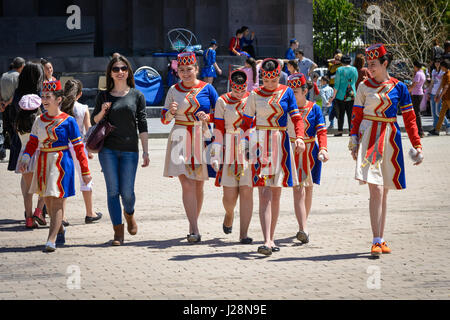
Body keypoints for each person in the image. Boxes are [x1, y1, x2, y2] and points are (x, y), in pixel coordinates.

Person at [348, 43, 423, 257]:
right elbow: (356, 116)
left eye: (373, 64)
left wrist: (417, 144)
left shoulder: (399, 87)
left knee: (385, 192)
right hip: (369, 138)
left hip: (390, 137)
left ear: (385, 63)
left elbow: (410, 119)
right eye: (368, 64)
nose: (369, 68)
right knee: (376, 189)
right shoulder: (363, 87)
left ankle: (381, 238)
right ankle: (375, 239)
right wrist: (353, 140)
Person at [239, 58, 306, 255]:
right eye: (266, 81)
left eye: (273, 80)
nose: (269, 84)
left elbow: (296, 117)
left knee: (276, 193)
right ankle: (267, 240)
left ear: (279, 76)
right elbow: (245, 122)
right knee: (264, 192)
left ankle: (272, 237)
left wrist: (299, 137)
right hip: (260, 143)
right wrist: (245, 144)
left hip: (281, 141)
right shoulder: (254, 94)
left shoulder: (286, 92)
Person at [18, 80, 92, 252]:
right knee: (49, 203)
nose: (44, 100)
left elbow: (79, 147)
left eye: (48, 96)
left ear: (58, 99)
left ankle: (50, 239)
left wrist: (85, 170)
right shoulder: (39, 120)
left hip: (61, 163)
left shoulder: (69, 121)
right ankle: (59, 229)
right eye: (42, 96)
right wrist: (25, 158)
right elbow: (32, 143)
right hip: (43, 162)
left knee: (57, 201)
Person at [91, 55, 149, 246]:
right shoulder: (104, 95)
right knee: (113, 191)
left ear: (128, 71)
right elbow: (94, 120)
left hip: (130, 150)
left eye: (123, 68)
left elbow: (142, 123)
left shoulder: (137, 95)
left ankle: (129, 213)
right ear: (110, 73)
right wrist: (103, 110)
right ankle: (118, 232)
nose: (120, 72)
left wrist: (146, 151)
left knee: (128, 193)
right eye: (115, 69)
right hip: (108, 150)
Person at [161, 52, 219, 243]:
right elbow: (163, 119)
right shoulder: (173, 90)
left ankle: (193, 223)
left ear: (196, 69)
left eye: (189, 69)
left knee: (198, 184)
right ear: (178, 71)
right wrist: (171, 112)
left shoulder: (208, 88)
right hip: (179, 137)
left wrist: (207, 118)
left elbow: (219, 114)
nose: (186, 73)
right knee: (187, 184)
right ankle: (194, 228)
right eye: (182, 70)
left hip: (200, 137)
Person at [211, 70, 253, 243]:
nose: (239, 92)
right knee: (229, 197)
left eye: (242, 88)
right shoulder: (222, 101)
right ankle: (229, 214)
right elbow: (218, 128)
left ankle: (243, 233)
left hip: (248, 147)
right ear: (231, 85)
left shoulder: (253, 99)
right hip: (228, 145)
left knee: (247, 192)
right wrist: (215, 153)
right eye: (236, 89)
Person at [287, 73, 328, 244]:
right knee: (298, 189)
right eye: (290, 91)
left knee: (309, 188)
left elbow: (321, 130)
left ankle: (303, 224)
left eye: (295, 91)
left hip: (311, 151)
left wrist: (324, 149)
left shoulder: (314, 108)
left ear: (305, 91)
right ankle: (303, 228)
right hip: (292, 150)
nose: (291, 94)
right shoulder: (286, 109)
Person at [61, 79, 103, 224]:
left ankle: (62, 215)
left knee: (63, 179)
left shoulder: (58, 107)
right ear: (80, 94)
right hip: (78, 146)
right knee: (85, 178)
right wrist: (89, 150)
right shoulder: (83, 108)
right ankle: (89, 212)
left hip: (62, 147)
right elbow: (88, 131)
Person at [15, 94, 46, 228]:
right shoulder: (40, 121)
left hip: (24, 156)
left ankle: (29, 219)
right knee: (45, 188)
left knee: (28, 191)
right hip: (38, 154)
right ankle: (38, 212)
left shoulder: (18, 122)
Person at [0, 57, 25, 161]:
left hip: (4, 107)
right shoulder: (19, 77)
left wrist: (2, 103)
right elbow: (16, 94)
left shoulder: (3, 75)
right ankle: (15, 155)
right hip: (14, 107)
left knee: (7, 130)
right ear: (21, 66)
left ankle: (5, 152)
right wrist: (7, 102)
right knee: (16, 131)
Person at [330, 54, 358, 136]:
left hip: (341, 95)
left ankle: (340, 131)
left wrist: (333, 96)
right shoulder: (354, 69)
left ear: (342, 61)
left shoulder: (339, 70)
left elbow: (337, 84)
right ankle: (350, 131)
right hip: (352, 94)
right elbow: (355, 80)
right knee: (350, 114)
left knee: (340, 114)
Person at [429, 59, 450, 135]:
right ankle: (437, 130)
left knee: (440, 113)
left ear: (444, 67)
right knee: (440, 113)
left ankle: (447, 127)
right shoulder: (444, 74)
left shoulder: (448, 75)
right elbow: (441, 85)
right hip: (445, 98)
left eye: (441, 65)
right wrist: (437, 95)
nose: (440, 67)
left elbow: (446, 87)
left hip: (448, 98)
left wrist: (439, 96)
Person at [408, 60, 426, 137]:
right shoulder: (422, 73)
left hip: (416, 95)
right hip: (419, 93)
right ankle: (418, 130)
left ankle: (420, 131)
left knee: (416, 113)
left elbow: (414, 84)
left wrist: (408, 91)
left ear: (416, 66)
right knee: (416, 113)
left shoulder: (418, 74)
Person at [327, 52, 343, 129]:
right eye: (335, 59)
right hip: (331, 86)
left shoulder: (342, 66)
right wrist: (333, 60)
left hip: (338, 87)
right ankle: (331, 122)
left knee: (336, 104)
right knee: (332, 104)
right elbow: (327, 61)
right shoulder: (332, 66)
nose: (336, 60)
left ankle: (335, 119)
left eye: (338, 59)